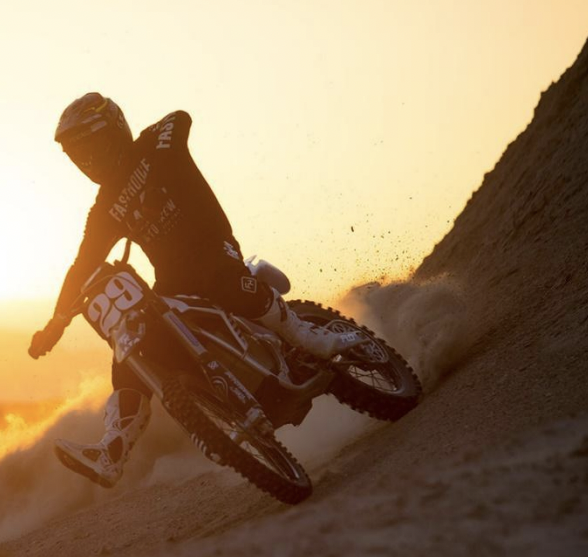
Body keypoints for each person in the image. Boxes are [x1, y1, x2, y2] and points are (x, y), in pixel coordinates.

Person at [29, 92, 364, 488]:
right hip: (173, 284)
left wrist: (160, 171)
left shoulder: (154, 144)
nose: (85, 159)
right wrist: (56, 323)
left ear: (114, 131)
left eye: (89, 146)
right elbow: (82, 265)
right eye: (76, 154)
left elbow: (180, 118)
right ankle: (111, 450)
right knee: (133, 350)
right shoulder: (104, 209)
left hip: (213, 249)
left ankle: (309, 338)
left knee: (223, 281)